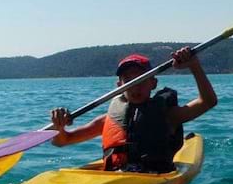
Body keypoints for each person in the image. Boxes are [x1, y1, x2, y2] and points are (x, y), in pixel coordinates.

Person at [50, 48, 217, 172]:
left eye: (141, 79)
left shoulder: (168, 116)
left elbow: (208, 101)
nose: (135, 86)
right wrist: (59, 127)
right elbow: (62, 141)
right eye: (128, 80)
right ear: (119, 86)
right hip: (113, 178)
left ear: (153, 83)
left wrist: (194, 66)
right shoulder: (108, 119)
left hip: (152, 180)